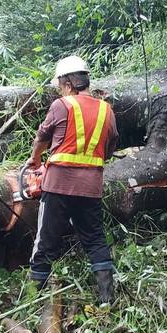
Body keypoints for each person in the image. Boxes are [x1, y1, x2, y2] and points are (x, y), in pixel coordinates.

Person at [25, 55, 119, 303]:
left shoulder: (61, 105)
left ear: (67, 83)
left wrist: (34, 160)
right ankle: (107, 298)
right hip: (90, 188)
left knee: (45, 240)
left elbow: (41, 138)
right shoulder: (106, 110)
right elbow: (109, 149)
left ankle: (33, 297)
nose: (59, 89)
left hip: (57, 186)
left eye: (59, 85)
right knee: (95, 239)